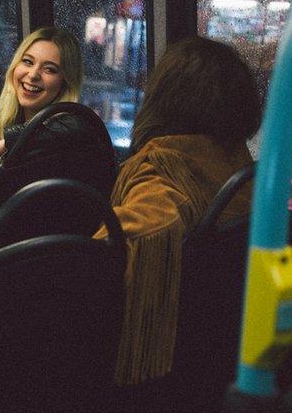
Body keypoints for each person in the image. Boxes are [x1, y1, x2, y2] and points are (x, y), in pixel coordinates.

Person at [95, 36, 261, 385]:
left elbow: (145, 229)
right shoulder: (241, 169)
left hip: (160, 375)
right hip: (221, 364)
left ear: (164, 100)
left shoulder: (161, 169)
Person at [0, 26, 83, 187]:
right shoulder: (11, 128)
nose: (33, 75)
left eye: (49, 69)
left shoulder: (63, 145)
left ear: (65, 82)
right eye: (28, 61)